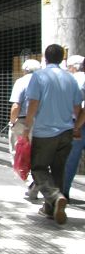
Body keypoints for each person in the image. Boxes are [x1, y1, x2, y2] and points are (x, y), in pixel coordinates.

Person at [23, 44, 82, 225]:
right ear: (62, 58)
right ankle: (51, 209)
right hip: (66, 132)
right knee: (58, 170)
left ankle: (56, 197)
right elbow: (78, 107)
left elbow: (33, 104)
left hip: (44, 132)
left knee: (38, 168)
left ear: (45, 58)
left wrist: (27, 127)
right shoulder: (70, 78)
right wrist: (76, 127)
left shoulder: (39, 76)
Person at [8, 58, 42, 199]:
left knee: (18, 153)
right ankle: (35, 182)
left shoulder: (21, 82)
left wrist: (12, 122)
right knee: (36, 154)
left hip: (22, 122)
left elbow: (16, 105)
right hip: (40, 122)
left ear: (25, 70)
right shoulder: (42, 82)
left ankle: (29, 181)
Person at [63, 55, 85, 201]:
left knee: (70, 160)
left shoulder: (73, 79)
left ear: (72, 67)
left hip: (76, 123)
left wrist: (76, 126)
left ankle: (64, 191)